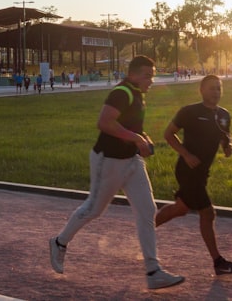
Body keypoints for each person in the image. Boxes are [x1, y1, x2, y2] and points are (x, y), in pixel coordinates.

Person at [49, 55, 185, 290]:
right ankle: (59, 242)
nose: (151, 80)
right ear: (133, 74)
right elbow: (104, 122)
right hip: (108, 160)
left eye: (152, 75)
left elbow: (132, 127)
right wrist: (136, 138)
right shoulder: (122, 93)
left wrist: (143, 140)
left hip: (131, 160)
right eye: (147, 75)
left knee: (147, 210)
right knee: (94, 209)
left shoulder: (137, 94)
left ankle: (153, 271)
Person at [155, 74, 232, 275]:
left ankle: (145, 231)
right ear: (201, 90)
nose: (216, 92)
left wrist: (228, 146)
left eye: (219, 88)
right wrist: (185, 154)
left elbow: (225, 138)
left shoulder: (224, 115)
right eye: (212, 88)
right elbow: (168, 134)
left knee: (181, 209)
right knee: (207, 212)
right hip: (187, 170)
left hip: (202, 172)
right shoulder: (189, 112)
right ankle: (218, 262)